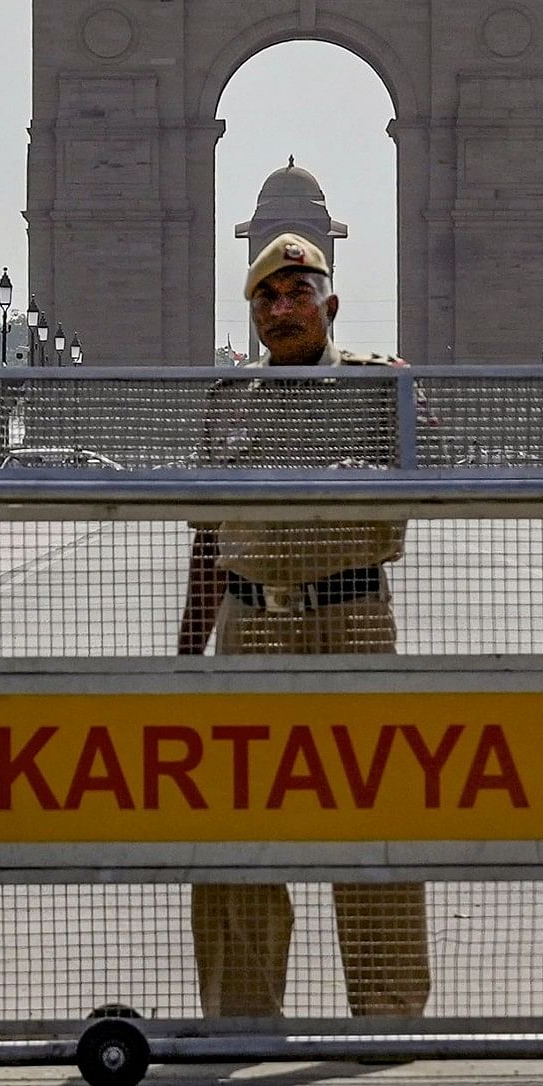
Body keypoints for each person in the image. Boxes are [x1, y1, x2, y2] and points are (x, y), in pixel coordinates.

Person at [174, 232, 428, 1019]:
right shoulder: (226, 400)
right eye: (266, 298)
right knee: (237, 819)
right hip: (247, 628)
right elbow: (208, 541)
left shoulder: (380, 389)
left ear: (331, 303)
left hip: (350, 617)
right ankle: (240, 1012)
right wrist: (187, 654)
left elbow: (440, 474)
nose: (282, 309)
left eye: (298, 292)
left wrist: (420, 406)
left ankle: (385, 1011)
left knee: (370, 813)